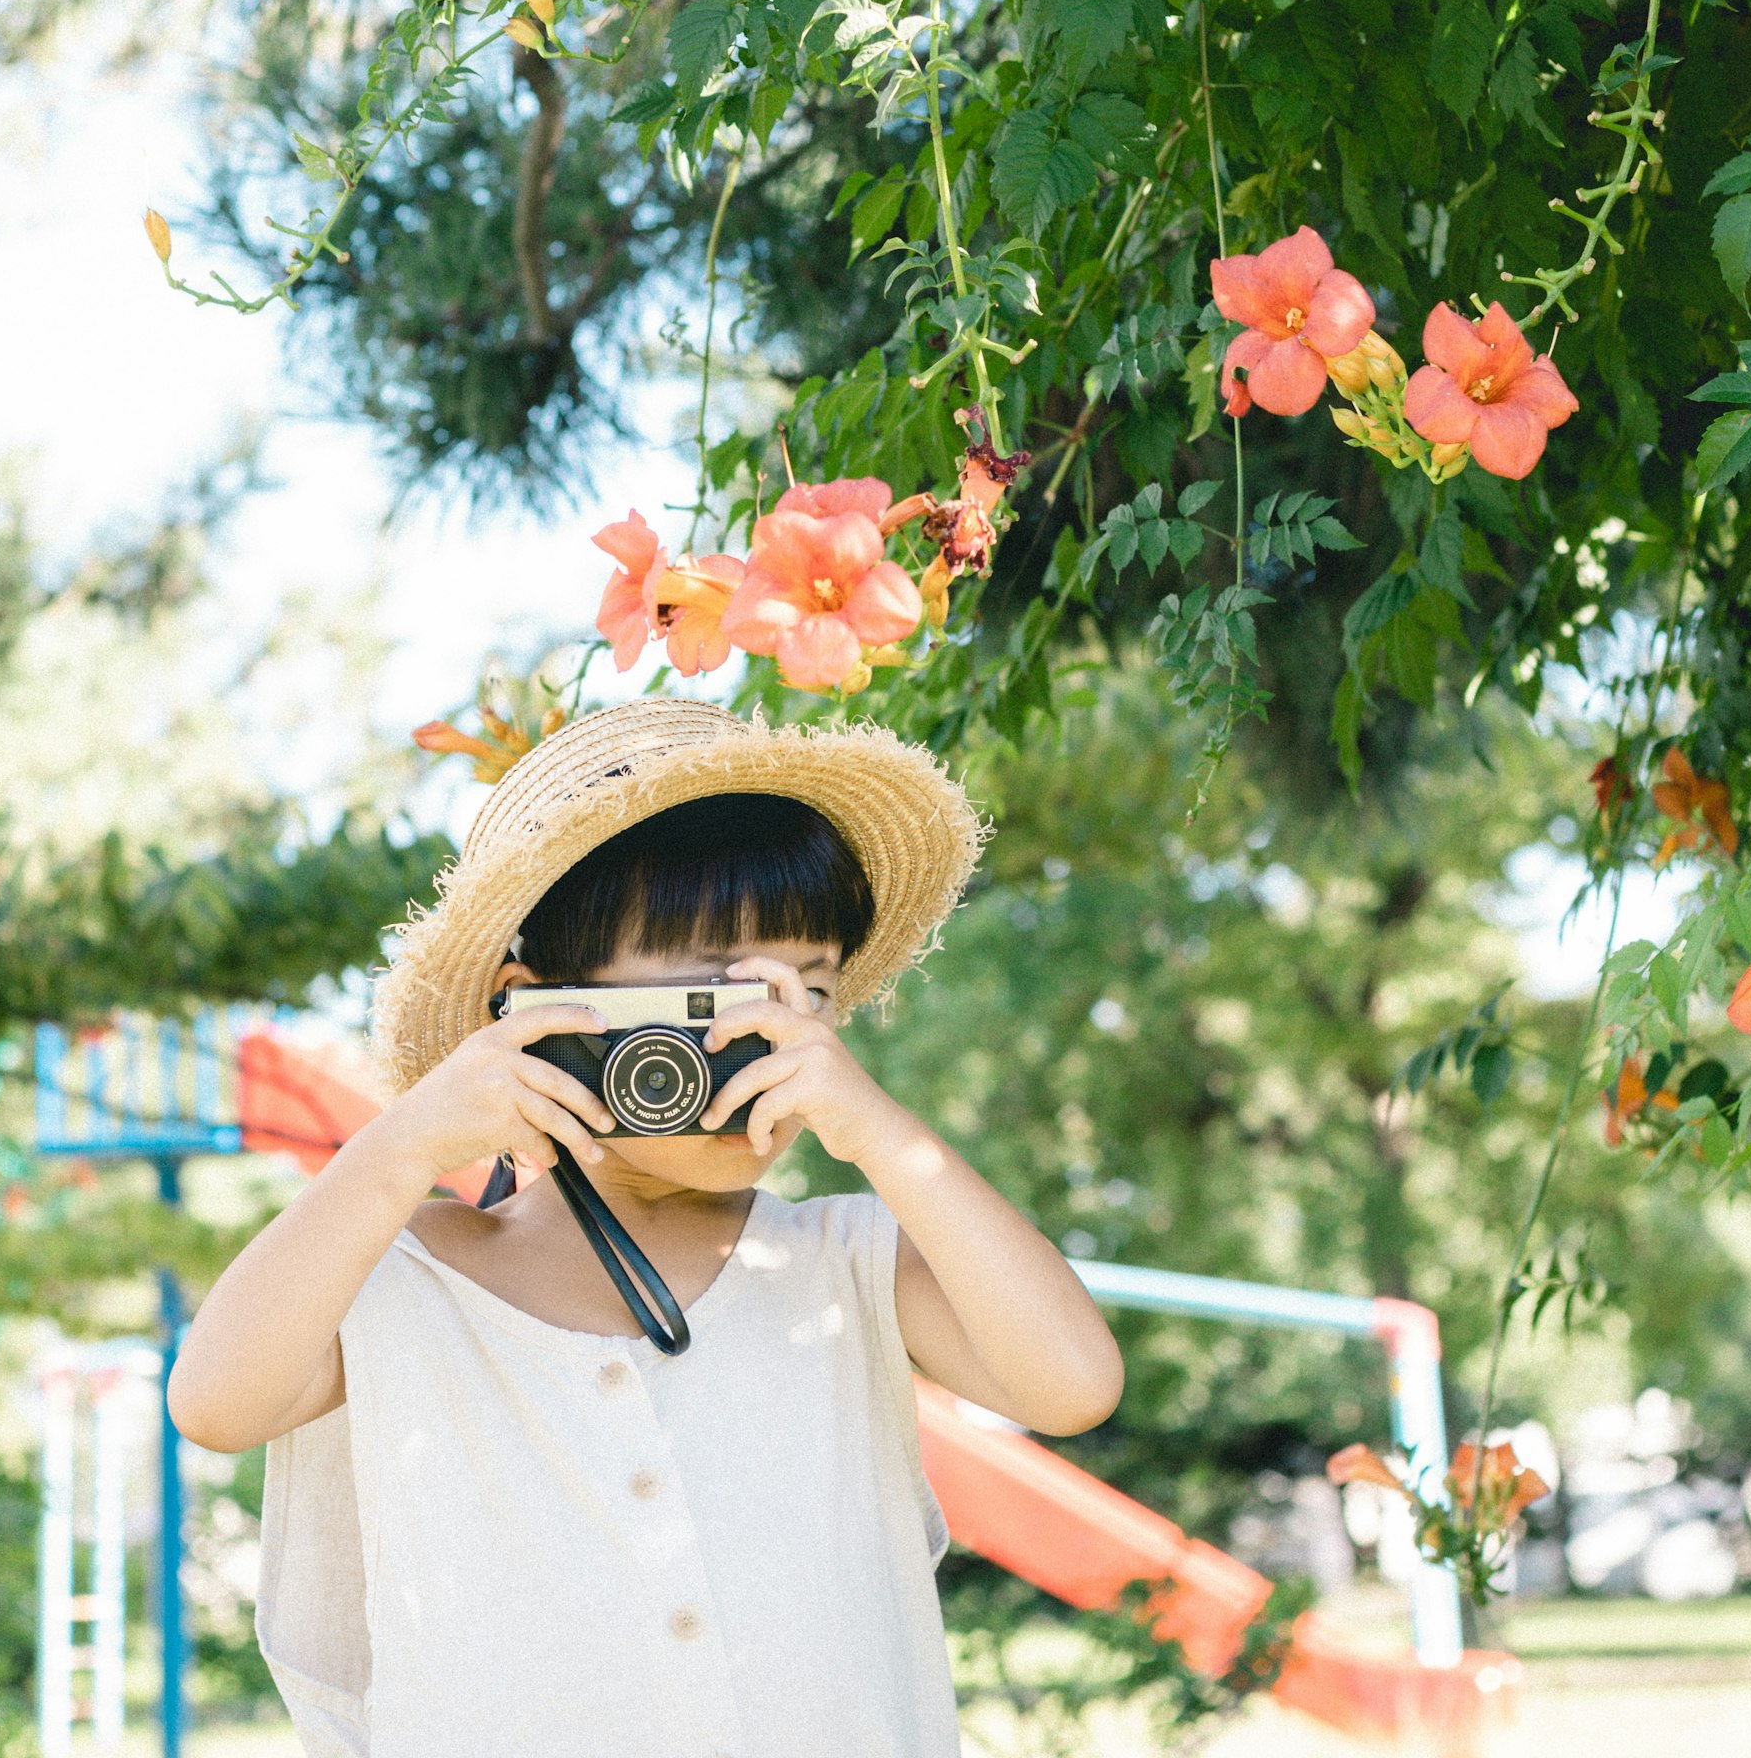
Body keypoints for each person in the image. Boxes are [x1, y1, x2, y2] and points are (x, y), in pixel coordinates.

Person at [171, 697, 1121, 1758]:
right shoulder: (408, 1282)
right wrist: (401, 1145)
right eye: (719, 994)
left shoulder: (846, 1262)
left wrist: (884, 1134)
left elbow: (1072, 1385)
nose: (769, 1034)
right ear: (531, 1012)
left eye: (808, 992)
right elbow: (215, 1400)